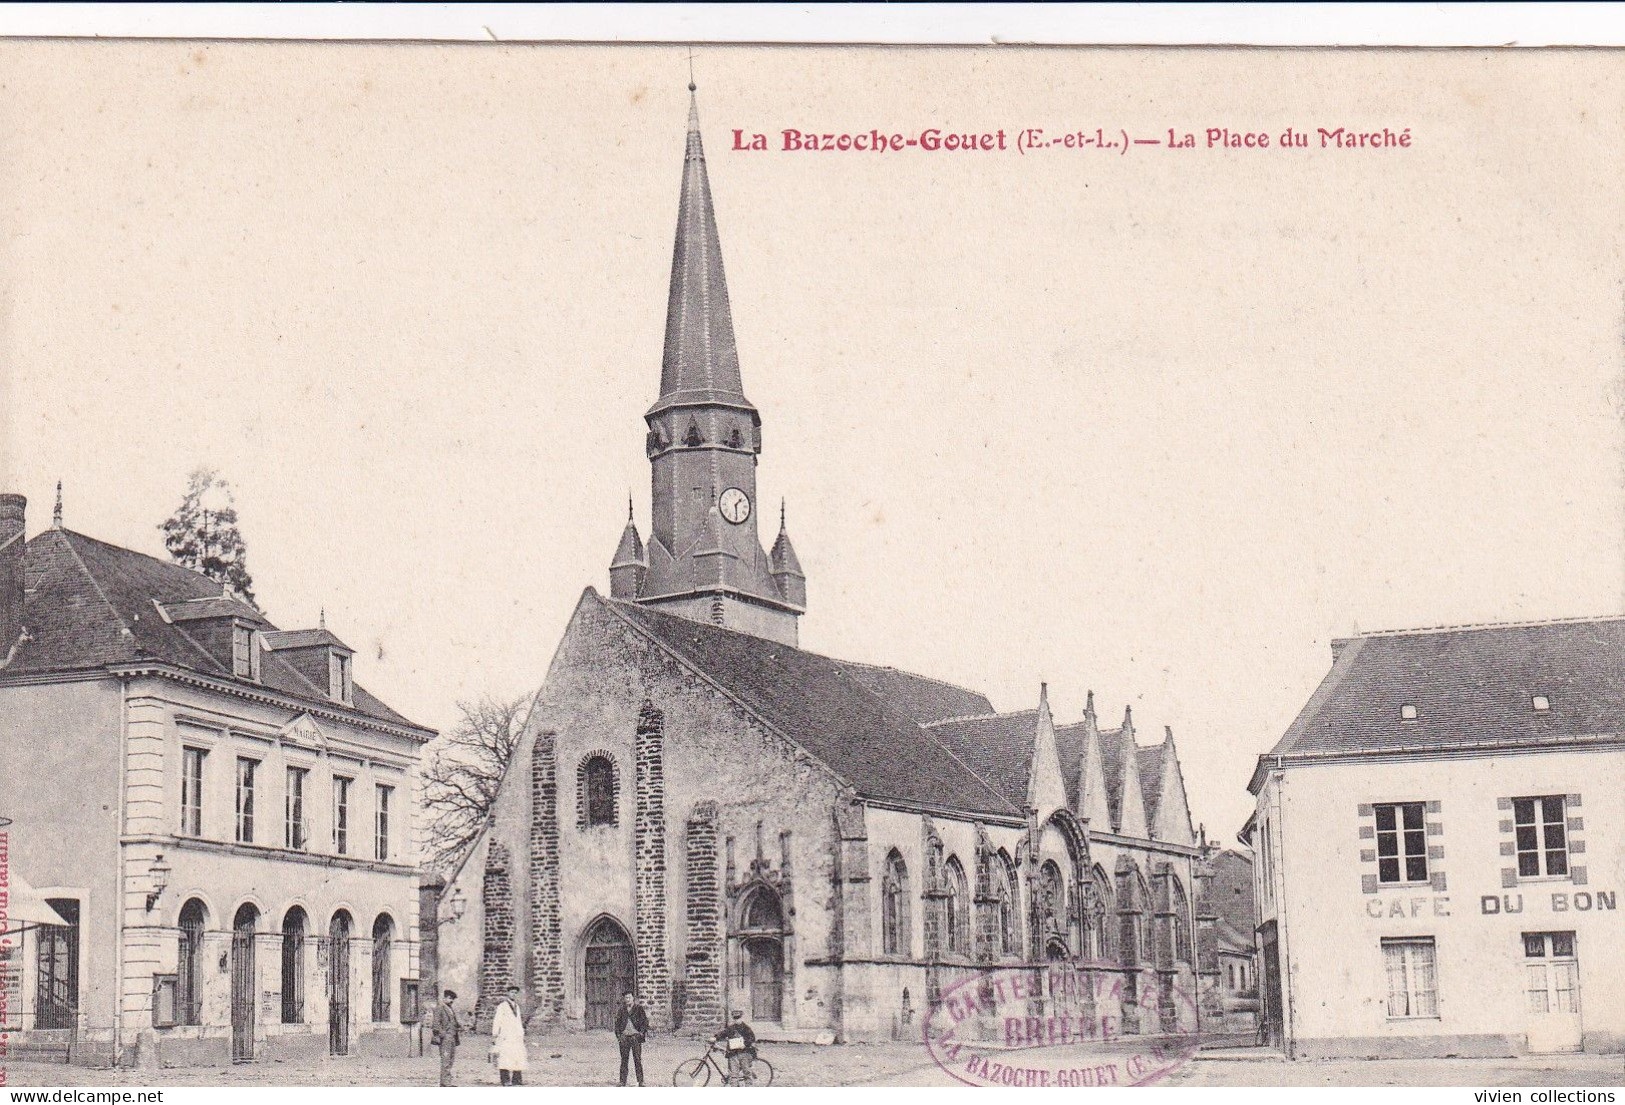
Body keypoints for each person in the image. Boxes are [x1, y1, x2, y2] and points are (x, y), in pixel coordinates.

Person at [490, 985, 528, 1086]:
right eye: (512, 992)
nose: (513, 994)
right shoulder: (502, 1006)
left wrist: (521, 1034)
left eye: (515, 993)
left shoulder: (517, 1007)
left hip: (516, 1036)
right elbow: (497, 1021)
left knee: (517, 1056)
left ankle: (517, 1079)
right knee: (504, 1057)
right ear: (508, 993)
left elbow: (518, 1022)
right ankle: (505, 1080)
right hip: (505, 1035)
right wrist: (495, 1034)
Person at [614, 990, 650, 1086]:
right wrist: (619, 1036)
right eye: (626, 998)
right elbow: (617, 1024)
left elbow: (645, 1022)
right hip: (624, 1037)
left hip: (635, 1037)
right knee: (624, 1060)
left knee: (637, 1059)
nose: (628, 999)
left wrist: (641, 1033)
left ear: (633, 998)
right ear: (624, 999)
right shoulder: (621, 1010)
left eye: (629, 997)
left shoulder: (639, 1009)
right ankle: (622, 1081)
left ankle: (641, 1081)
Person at [713, 1009, 757, 1084]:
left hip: (744, 1053)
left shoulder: (746, 1028)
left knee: (746, 1073)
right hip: (733, 1054)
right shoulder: (731, 1028)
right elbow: (723, 1034)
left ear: (741, 1018)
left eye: (738, 1018)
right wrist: (715, 1037)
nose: (737, 1020)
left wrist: (745, 1044)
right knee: (733, 1075)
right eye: (735, 1018)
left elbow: (752, 1039)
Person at [431, 989, 462, 1087]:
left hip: (453, 1037)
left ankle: (447, 1081)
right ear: (444, 998)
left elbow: (454, 1022)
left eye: (453, 999)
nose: (451, 1000)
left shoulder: (451, 1009)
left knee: (451, 1059)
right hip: (446, 1038)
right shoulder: (440, 1008)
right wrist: (443, 1034)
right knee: (445, 1059)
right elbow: (436, 1024)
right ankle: (445, 1083)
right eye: (449, 998)